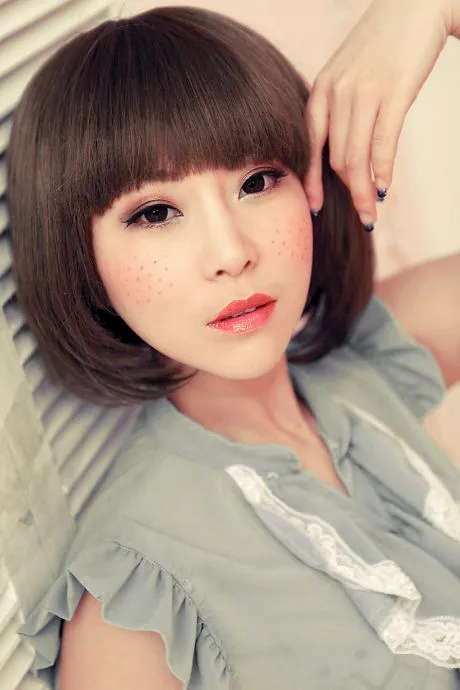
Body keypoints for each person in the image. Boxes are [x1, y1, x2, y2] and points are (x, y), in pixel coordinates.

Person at [5, 4, 460, 690]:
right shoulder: (133, 613)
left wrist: (427, 12)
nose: (230, 252)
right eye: (155, 213)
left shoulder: (371, 362)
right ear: (83, 260)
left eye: (257, 181)